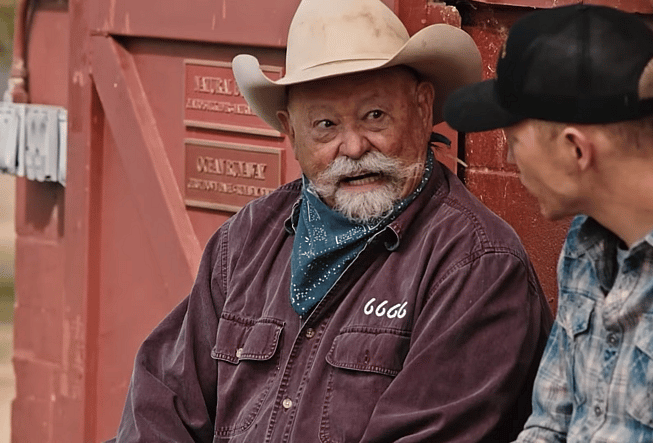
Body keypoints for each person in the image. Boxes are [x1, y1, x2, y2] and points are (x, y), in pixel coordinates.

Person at [108, 0, 554, 441]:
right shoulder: (244, 240)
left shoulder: (476, 263)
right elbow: (161, 405)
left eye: (375, 116)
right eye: (325, 124)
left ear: (422, 108)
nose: (354, 147)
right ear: (291, 132)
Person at [443, 4, 653, 442]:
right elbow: (549, 424)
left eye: (513, 140)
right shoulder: (587, 241)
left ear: (576, 150)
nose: (510, 158)